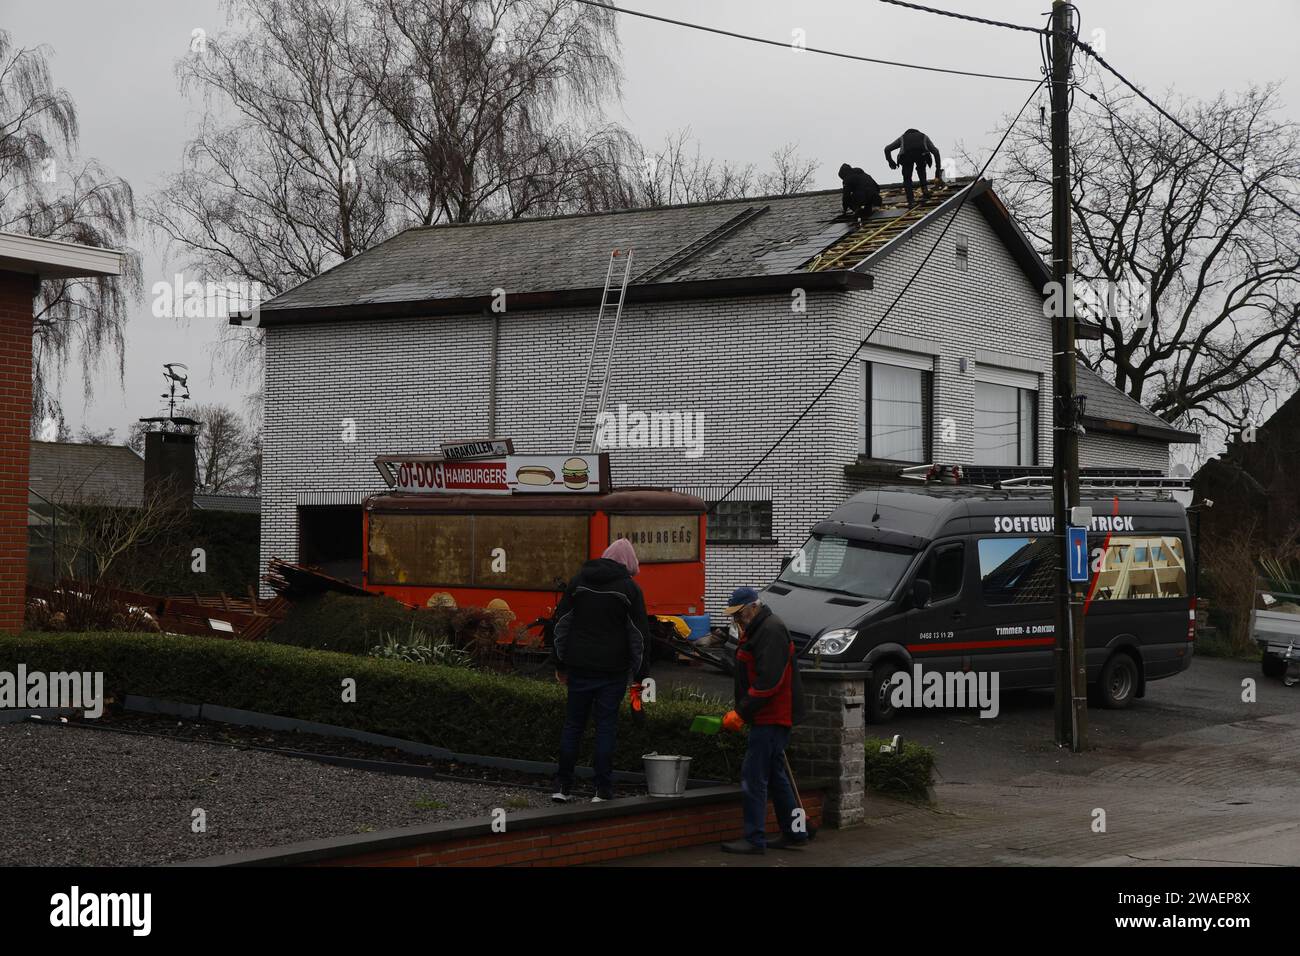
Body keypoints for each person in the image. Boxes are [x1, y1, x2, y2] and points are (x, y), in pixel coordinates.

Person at [550, 538, 651, 803]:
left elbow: (560, 625)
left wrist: (560, 664)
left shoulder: (578, 582)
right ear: (630, 563)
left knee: (573, 726)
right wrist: (639, 676)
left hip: (579, 667)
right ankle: (602, 790)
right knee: (605, 728)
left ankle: (562, 787)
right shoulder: (630, 590)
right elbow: (639, 636)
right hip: (612, 672)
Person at [718, 587, 812, 854]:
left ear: (753, 607)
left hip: (772, 717)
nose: (737, 620)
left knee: (754, 776)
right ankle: (796, 832)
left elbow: (768, 682)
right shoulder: (760, 628)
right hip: (769, 716)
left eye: (739, 614)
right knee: (775, 775)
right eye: (733, 616)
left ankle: (754, 839)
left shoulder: (770, 630)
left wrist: (742, 712)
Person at [884, 128, 943, 205]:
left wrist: (891, 162)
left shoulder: (902, 138)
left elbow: (887, 149)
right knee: (921, 170)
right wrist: (937, 171)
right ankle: (925, 191)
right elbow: (936, 152)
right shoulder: (924, 136)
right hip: (921, 155)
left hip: (906, 157)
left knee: (907, 178)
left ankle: (911, 200)